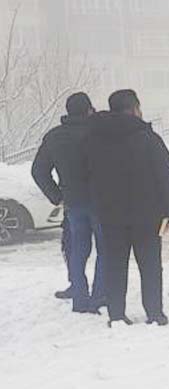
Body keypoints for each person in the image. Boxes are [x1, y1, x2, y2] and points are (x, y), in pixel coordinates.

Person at [84, 89, 169, 327]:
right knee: (150, 265)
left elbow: (85, 176)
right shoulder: (147, 138)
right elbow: (167, 174)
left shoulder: (93, 139)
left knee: (115, 265)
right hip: (148, 215)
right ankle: (155, 313)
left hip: (110, 215)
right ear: (133, 109)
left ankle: (116, 314)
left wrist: (95, 206)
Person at [31, 92, 105, 313]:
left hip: (73, 203)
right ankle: (99, 295)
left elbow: (38, 170)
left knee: (77, 250)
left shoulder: (54, 137)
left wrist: (58, 196)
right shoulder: (98, 134)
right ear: (89, 109)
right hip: (101, 201)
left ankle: (79, 297)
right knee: (105, 250)